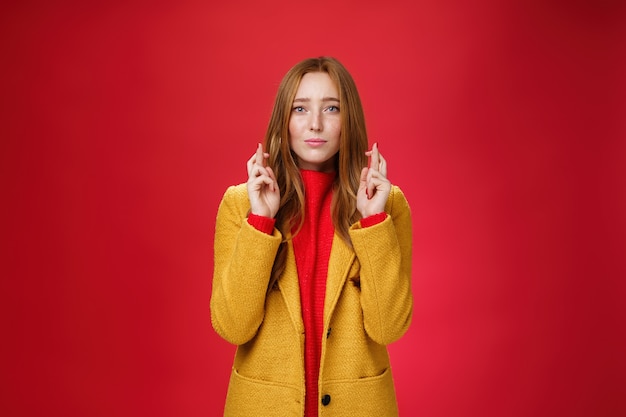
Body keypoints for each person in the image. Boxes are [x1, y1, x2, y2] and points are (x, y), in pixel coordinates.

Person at [210, 56, 413, 417]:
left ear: (348, 119)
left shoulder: (386, 205)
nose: (315, 124)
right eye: (300, 108)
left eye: (331, 108)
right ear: (283, 121)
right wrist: (260, 219)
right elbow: (232, 325)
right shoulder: (240, 204)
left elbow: (388, 327)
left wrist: (374, 221)